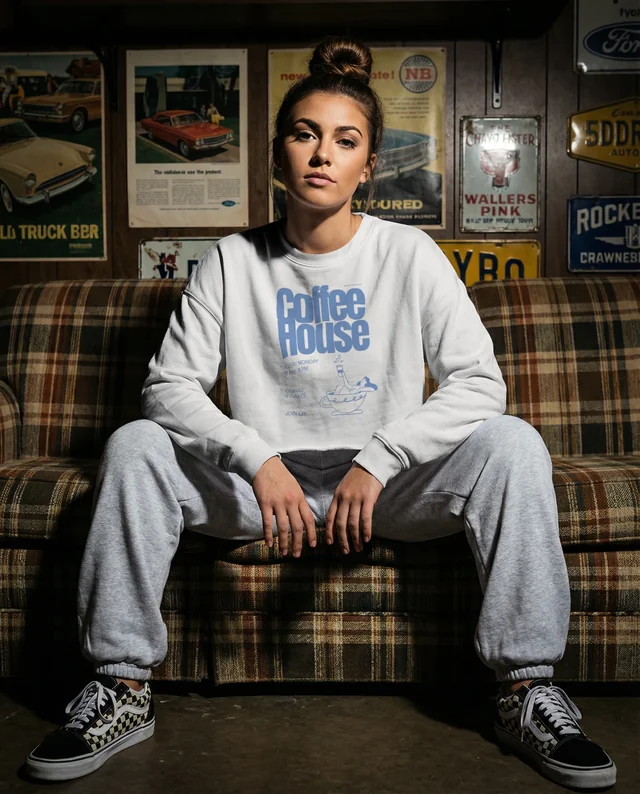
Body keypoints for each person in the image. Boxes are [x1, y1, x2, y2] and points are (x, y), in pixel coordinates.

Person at [24, 36, 616, 790]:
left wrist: (384, 456)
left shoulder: (409, 254)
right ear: (277, 155)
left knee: (512, 443)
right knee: (138, 442)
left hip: (386, 491)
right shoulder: (230, 262)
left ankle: (523, 689)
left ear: (368, 165)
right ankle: (123, 686)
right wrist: (256, 457)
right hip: (259, 492)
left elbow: (478, 384)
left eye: (345, 141)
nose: (321, 155)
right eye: (304, 135)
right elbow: (167, 388)